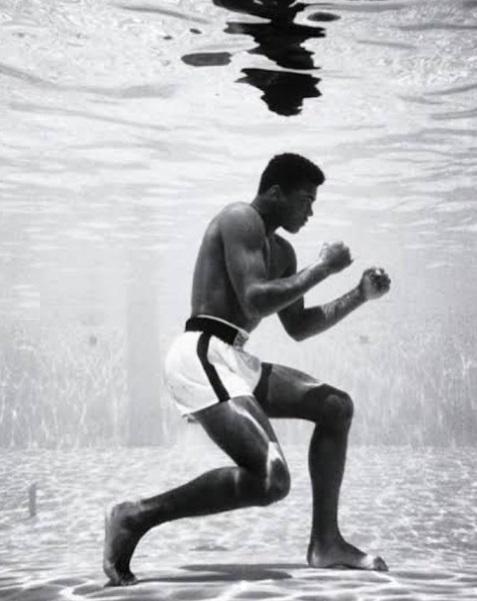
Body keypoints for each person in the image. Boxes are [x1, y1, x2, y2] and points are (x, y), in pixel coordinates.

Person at [103, 153, 391, 586]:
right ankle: (136, 516)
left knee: (336, 407)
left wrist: (358, 295)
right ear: (276, 193)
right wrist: (323, 267)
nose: (310, 211)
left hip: (234, 358)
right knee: (271, 479)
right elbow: (255, 298)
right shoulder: (240, 218)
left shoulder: (283, 251)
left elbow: (298, 326)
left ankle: (326, 543)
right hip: (200, 351)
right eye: (305, 200)